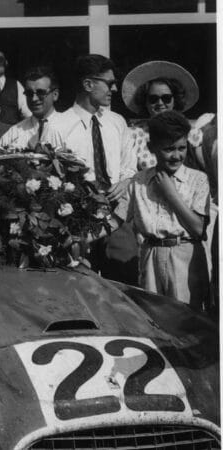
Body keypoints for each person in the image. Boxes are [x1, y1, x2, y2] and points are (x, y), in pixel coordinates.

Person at [106, 111, 209, 308]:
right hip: (150, 255)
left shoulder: (198, 180)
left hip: (184, 256)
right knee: (153, 315)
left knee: (185, 318)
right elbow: (115, 220)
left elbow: (198, 229)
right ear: (151, 147)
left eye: (182, 148)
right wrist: (80, 237)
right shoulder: (139, 181)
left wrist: (171, 194)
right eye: (169, 149)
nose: (177, 155)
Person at [52, 54, 138, 284]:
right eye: (109, 83)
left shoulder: (117, 122)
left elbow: (130, 167)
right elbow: (52, 178)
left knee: (125, 285)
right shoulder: (58, 125)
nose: (115, 88)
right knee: (81, 285)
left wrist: (126, 181)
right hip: (78, 220)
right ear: (88, 84)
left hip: (117, 217)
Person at [120, 60, 202, 170]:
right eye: (153, 99)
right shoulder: (135, 134)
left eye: (166, 98)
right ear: (145, 101)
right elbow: (128, 171)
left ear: (175, 100)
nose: (160, 103)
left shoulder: (192, 132)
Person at [0, 66, 63, 151]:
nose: (34, 99)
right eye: (29, 93)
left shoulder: (69, 128)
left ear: (55, 95)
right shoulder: (14, 132)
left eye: (41, 93)